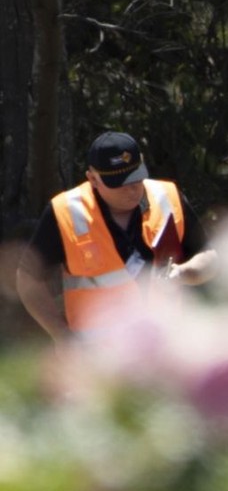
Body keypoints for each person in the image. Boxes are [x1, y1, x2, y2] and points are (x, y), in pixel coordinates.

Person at [16, 131, 217, 341]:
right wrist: (61, 334)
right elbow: (28, 278)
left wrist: (185, 272)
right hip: (97, 354)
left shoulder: (168, 197)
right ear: (93, 178)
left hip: (164, 347)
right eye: (119, 182)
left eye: (136, 177)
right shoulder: (65, 212)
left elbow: (209, 256)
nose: (132, 189)